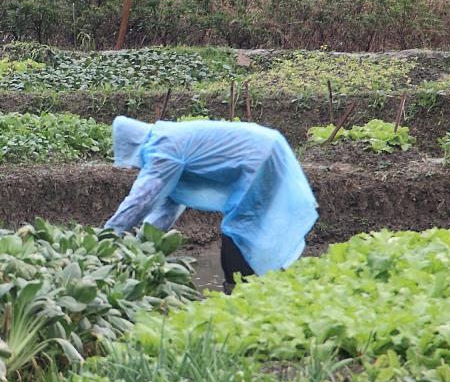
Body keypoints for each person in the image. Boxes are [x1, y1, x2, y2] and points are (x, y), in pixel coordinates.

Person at [105, 116, 318, 293]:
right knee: (252, 225)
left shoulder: (163, 148)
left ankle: (240, 288)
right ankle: (262, 281)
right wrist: (141, 245)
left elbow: (142, 200)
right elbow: (166, 208)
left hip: (258, 157)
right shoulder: (166, 143)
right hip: (266, 147)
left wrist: (106, 237)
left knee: (240, 227)